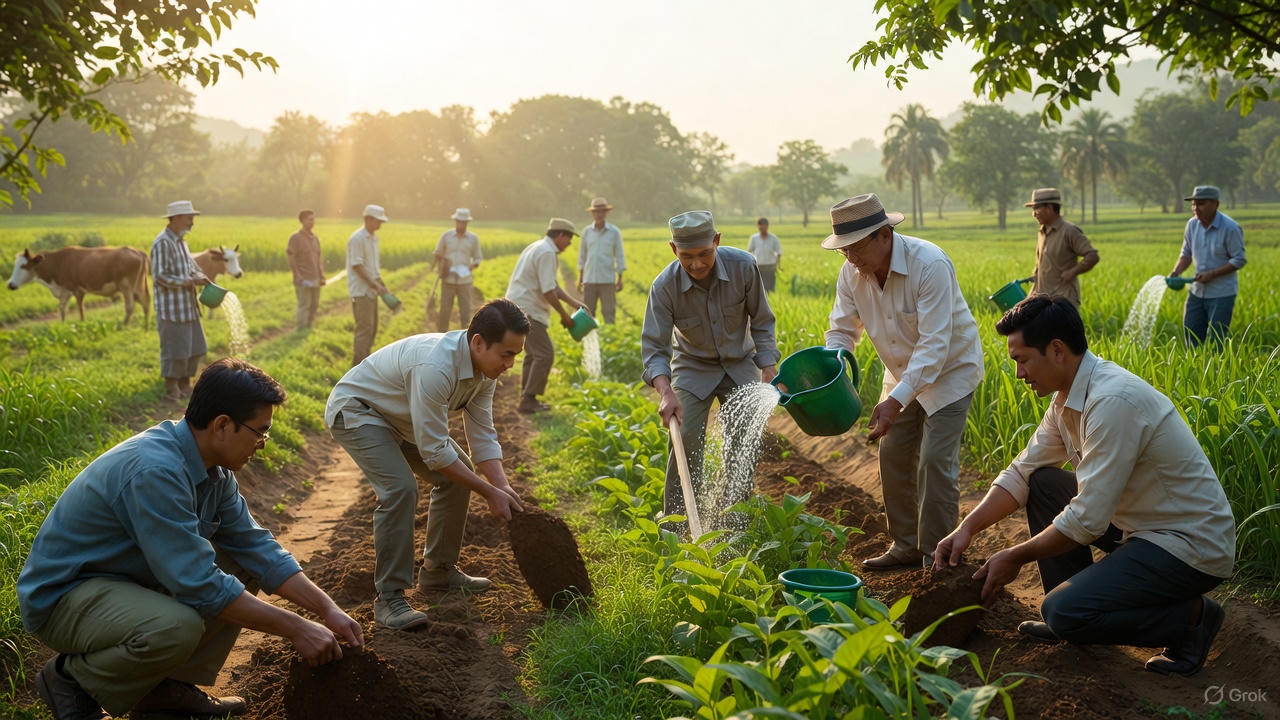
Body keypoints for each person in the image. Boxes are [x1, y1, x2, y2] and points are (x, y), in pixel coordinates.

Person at [18, 358, 363, 720]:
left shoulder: (215, 471)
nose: (262, 443)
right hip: (65, 596)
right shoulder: (156, 470)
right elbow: (198, 583)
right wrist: (296, 628)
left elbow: (257, 547)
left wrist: (327, 610)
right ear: (222, 425)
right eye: (260, 431)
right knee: (176, 628)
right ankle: (73, 681)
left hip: (125, 583)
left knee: (243, 565)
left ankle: (165, 689)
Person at [936, 295, 1235, 677]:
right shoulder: (1066, 398)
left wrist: (1014, 555)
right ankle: (1066, 605)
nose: (1019, 374)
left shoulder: (1111, 400)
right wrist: (967, 528)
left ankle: (1191, 620)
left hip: (1187, 543)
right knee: (1042, 482)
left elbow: (1086, 520)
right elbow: (1022, 473)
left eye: (1022, 359)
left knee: (1064, 611)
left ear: (1057, 350)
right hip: (1136, 525)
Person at [325, 299, 528, 630]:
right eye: (507, 354)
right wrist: (488, 492)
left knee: (458, 474)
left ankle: (437, 571)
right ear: (478, 342)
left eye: (516, 355)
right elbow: (434, 452)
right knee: (400, 488)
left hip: (403, 420)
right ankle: (389, 599)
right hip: (359, 411)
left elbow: (482, 436)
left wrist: (501, 486)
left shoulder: (485, 373)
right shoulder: (436, 367)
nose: (511, 364)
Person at [822, 193, 983, 569]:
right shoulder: (851, 273)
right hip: (899, 375)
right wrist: (835, 360)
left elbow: (934, 346)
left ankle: (937, 557)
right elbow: (842, 329)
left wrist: (896, 401)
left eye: (856, 248)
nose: (852, 258)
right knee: (892, 455)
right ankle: (906, 545)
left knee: (934, 463)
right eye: (843, 251)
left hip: (950, 373)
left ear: (884, 235)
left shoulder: (929, 264)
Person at [641, 210, 779, 527]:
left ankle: (736, 521)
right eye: (687, 256)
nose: (697, 264)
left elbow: (761, 320)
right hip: (692, 366)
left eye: (704, 253)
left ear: (716, 241)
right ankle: (677, 525)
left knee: (744, 437)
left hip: (740, 362)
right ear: (674, 250)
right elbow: (654, 348)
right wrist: (665, 392)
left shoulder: (744, 267)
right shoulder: (664, 286)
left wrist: (768, 368)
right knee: (685, 437)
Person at [505, 218, 589, 415]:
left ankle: (527, 397)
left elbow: (553, 285)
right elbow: (548, 291)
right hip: (528, 308)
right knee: (545, 354)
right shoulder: (547, 252)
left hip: (518, 305)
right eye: (569, 238)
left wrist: (574, 304)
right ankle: (528, 399)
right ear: (560, 235)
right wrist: (564, 315)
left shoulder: (539, 247)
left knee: (533, 354)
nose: (569, 243)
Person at [1169, 185, 1246, 347]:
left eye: (1201, 204)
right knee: (1191, 332)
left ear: (1215, 205)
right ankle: (1196, 368)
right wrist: (1176, 271)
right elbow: (1186, 253)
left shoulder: (1230, 228)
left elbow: (1239, 259)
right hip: (1197, 292)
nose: (1196, 208)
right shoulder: (1192, 225)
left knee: (1217, 339)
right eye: (1193, 204)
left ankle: (1216, 370)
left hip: (1221, 293)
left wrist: (1212, 274)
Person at [151, 200, 211, 400]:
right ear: (175, 219)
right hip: (172, 309)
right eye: (189, 218)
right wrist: (186, 281)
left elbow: (190, 267)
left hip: (189, 307)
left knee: (196, 347)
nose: (192, 222)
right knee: (175, 349)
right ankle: (171, 387)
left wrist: (200, 276)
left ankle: (185, 382)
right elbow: (160, 276)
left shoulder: (181, 242)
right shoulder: (163, 243)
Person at [1024, 188, 1098, 306]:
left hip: (1063, 300)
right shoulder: (1042, 231)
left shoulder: (1069, 231)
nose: (1034, 214)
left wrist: (1072, 272)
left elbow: (1092, 255)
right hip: (1042, 298)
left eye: (1036, 208)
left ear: (1049, 208)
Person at [347, 204, 390, 366]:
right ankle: (358, 366)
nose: (380, 224)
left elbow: (372, 267)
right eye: (378, 221)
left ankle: (364, 362)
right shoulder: (357, 238)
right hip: (361, 291)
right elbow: (357, 266)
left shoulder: (373, 238)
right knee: (364, 330)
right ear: (368, 219)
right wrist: (375, 285)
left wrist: (381, 284)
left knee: (372, 328)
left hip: (371, 290)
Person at [577, 197, 626, 324]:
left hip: (607, 280)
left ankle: (609, 339)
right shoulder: (586, 232)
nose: (598, 214)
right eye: (596, 212)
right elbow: (582, 256)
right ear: (592, 213)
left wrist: (620, 277)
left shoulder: (614, 232)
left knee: (609, 312)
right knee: (587, 313)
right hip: (589, 280)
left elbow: (619, 255)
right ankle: (590, 341)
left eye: (601, 212)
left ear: (606, 213)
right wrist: (580, 277)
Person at [433, 208, 483, 332]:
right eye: (459, 221)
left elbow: (478, 258)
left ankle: (465, 339)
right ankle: (440, 336)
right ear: (455, 221)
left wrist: (470, 267)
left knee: (465, 312)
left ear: (467, 223)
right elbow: (437, 252)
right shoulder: (446, 236)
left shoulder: (473, 239)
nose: (461, 224)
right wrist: (441, 261)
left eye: (463, 222)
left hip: (465, 281)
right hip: (447, 279)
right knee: (444, 311)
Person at [288, 209, 325, 329]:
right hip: (303, 279)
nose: (313, 222)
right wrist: (297, 275)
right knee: (304, 305)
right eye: (310, 219)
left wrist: (321, 275)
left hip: (315, 278)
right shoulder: (295, 238)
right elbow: (291, 257)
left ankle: (309, 326)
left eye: (314, 219)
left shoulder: (315, 238)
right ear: (302, 221)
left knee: (314, 305)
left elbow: (318, 258)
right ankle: (301, 328)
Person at [747, 217, 782, 293]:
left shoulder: (773, 238)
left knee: (770, 287)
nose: (762, 229)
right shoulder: (754, 238)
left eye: (764, 226)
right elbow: (750, 251)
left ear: (767, 226)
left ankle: (771, 301)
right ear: (758, 227)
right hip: (758, 266)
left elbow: (779, 252)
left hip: (770, 266)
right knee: (759, 288)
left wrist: (778, 265)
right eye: (760, 227)